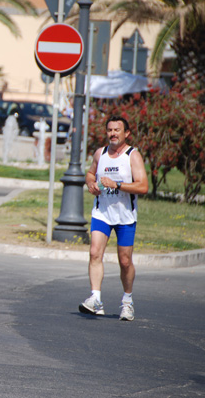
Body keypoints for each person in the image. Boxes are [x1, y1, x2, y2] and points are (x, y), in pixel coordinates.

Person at [80, 115, 148, 321]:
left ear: (126, 133)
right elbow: (91, 174)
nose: (112, 134)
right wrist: (91, 184)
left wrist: (117, 185)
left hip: (125, 216)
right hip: (102, 213)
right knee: (94, 253)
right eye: (110, 130)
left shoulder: (132, 155)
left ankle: (127, 301)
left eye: (117, 130)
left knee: (125, 261)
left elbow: (143, 186)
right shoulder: (100, 153)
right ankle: (95, 298)